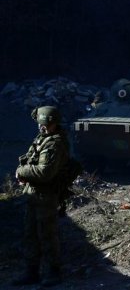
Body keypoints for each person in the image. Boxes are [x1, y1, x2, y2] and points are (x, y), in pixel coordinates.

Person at [13, 106, 70, 287]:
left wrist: (21, 171)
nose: (43, 127)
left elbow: (45, 172)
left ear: (54, 124)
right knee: (31, 235)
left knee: (47, 235)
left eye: (47, 124)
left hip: (46, 197)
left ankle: (53, 272)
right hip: (34, 194)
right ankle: (32, 272)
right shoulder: (43, 138)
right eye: (41, 123)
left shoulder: (54, 143)